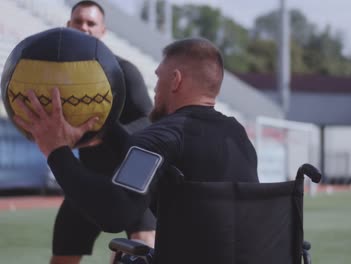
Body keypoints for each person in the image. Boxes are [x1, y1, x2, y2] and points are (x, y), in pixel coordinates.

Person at [13, 38, 259, 260]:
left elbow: (114, 212)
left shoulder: (161, 137)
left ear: (175, 80)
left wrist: (56, 152)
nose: (155, 88)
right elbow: (162, 155)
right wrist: (102, 131)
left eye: (159, 76)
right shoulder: (238, 137)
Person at [49, 1, 155, 263]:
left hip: (133, 182)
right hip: (87, 179)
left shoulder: (124, 72)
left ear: (103, 31)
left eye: (91, 23)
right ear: (68, 26)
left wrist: (101, 134)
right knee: (63, 256)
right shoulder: (55, 77)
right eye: (78, 22)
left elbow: (149, 121)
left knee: (142, 249)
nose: (84, 27)